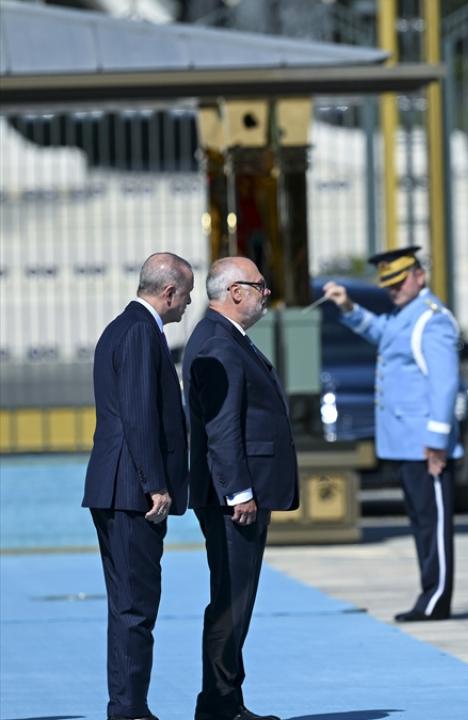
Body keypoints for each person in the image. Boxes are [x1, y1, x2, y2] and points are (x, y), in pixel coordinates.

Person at [185, 257, 299, 720]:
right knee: (232, 601)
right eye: (259, 286)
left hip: (239, 492)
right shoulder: (219, 342)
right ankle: (218, 703)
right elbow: (222, 427)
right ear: (235, 292)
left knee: (238, 598)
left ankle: (226, 699)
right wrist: (238, 492)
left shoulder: (226, 337)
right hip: (233, 498)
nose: (265, 293)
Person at [323, 246, 462, 622]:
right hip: (405, 442)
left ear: (419, 276)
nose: (394, 289)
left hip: (424, 444)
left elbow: (445, 385)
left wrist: (437, 441)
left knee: (433, 525)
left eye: (400, 281)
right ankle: (430, 594)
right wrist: (348, 305)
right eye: (389, 284)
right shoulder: (406, 316)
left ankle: (435, 599)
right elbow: (382, 333)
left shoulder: (432, 320)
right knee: (420, 521)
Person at [83, 252, 194, 720]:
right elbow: (138, 414)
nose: (188, 305)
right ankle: (129, 709)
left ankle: (129, 706)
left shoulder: (127, 328)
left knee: (130, 606)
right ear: (168, 293)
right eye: (186, 295)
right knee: (135, 607)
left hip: (120, 487)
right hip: (131, 491)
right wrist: (156, 484)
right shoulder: (139, 333)